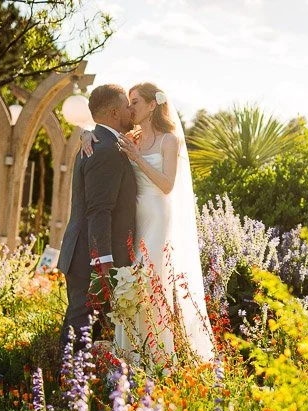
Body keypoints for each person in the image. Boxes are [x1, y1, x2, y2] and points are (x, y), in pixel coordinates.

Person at [81, 82, 215, 366]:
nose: (129, 108)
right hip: (133, 218)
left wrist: (137, 157)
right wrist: (86, 134)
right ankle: (127, 356)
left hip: (156, 215)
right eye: (128, 102)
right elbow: (103, 135)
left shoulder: (169, 140)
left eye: (135, 102)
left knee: (151, 283)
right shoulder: (133, 137)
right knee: (131, 282)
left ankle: (157, 360)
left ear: (152, 105)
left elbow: (167, 185)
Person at [56, 84, 137, 350]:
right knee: (80, 329)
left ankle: (66, 383)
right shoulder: (105, 149)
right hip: (88, 254)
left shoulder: (102, 141)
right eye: (127, 106)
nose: (131, 111)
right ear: (114, 112)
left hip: (84, 250)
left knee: (79, 326)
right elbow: (99, 209)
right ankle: (65, 386)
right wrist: (104, 261)